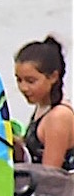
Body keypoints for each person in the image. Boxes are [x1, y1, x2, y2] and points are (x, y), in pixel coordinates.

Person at [14, 37, 74, 170]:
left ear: (53, 77)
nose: (23, 88)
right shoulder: (42, 107)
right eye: (19, 80)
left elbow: (49, 174)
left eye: (31, 81)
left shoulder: (58, 116)